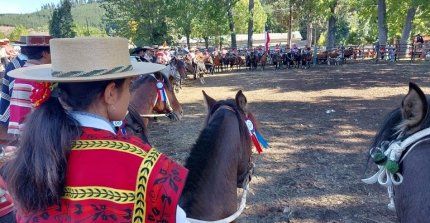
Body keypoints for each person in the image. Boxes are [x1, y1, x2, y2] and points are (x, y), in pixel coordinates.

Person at [1, 37, 188, 222]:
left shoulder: (30, 155)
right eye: (129, 86)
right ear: (111, 93)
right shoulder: (143, 164)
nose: (130, 94)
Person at [0, 35, 52, 136]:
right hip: (32, 131)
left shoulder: (22, 71)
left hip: (20, 127)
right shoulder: (39, 75)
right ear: (45, 54)